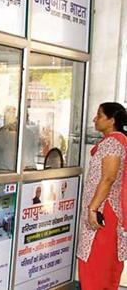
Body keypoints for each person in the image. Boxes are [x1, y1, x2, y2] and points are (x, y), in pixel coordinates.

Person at [77, 102, 127, 289]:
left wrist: (92, 208)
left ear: (112, 120)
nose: (94, 119)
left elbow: (108, 178)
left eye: (99, 115)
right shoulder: (116, 141)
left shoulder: (113, 143)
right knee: (106, 267)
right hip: (106, 212)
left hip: (103, 214)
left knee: (96, 266)